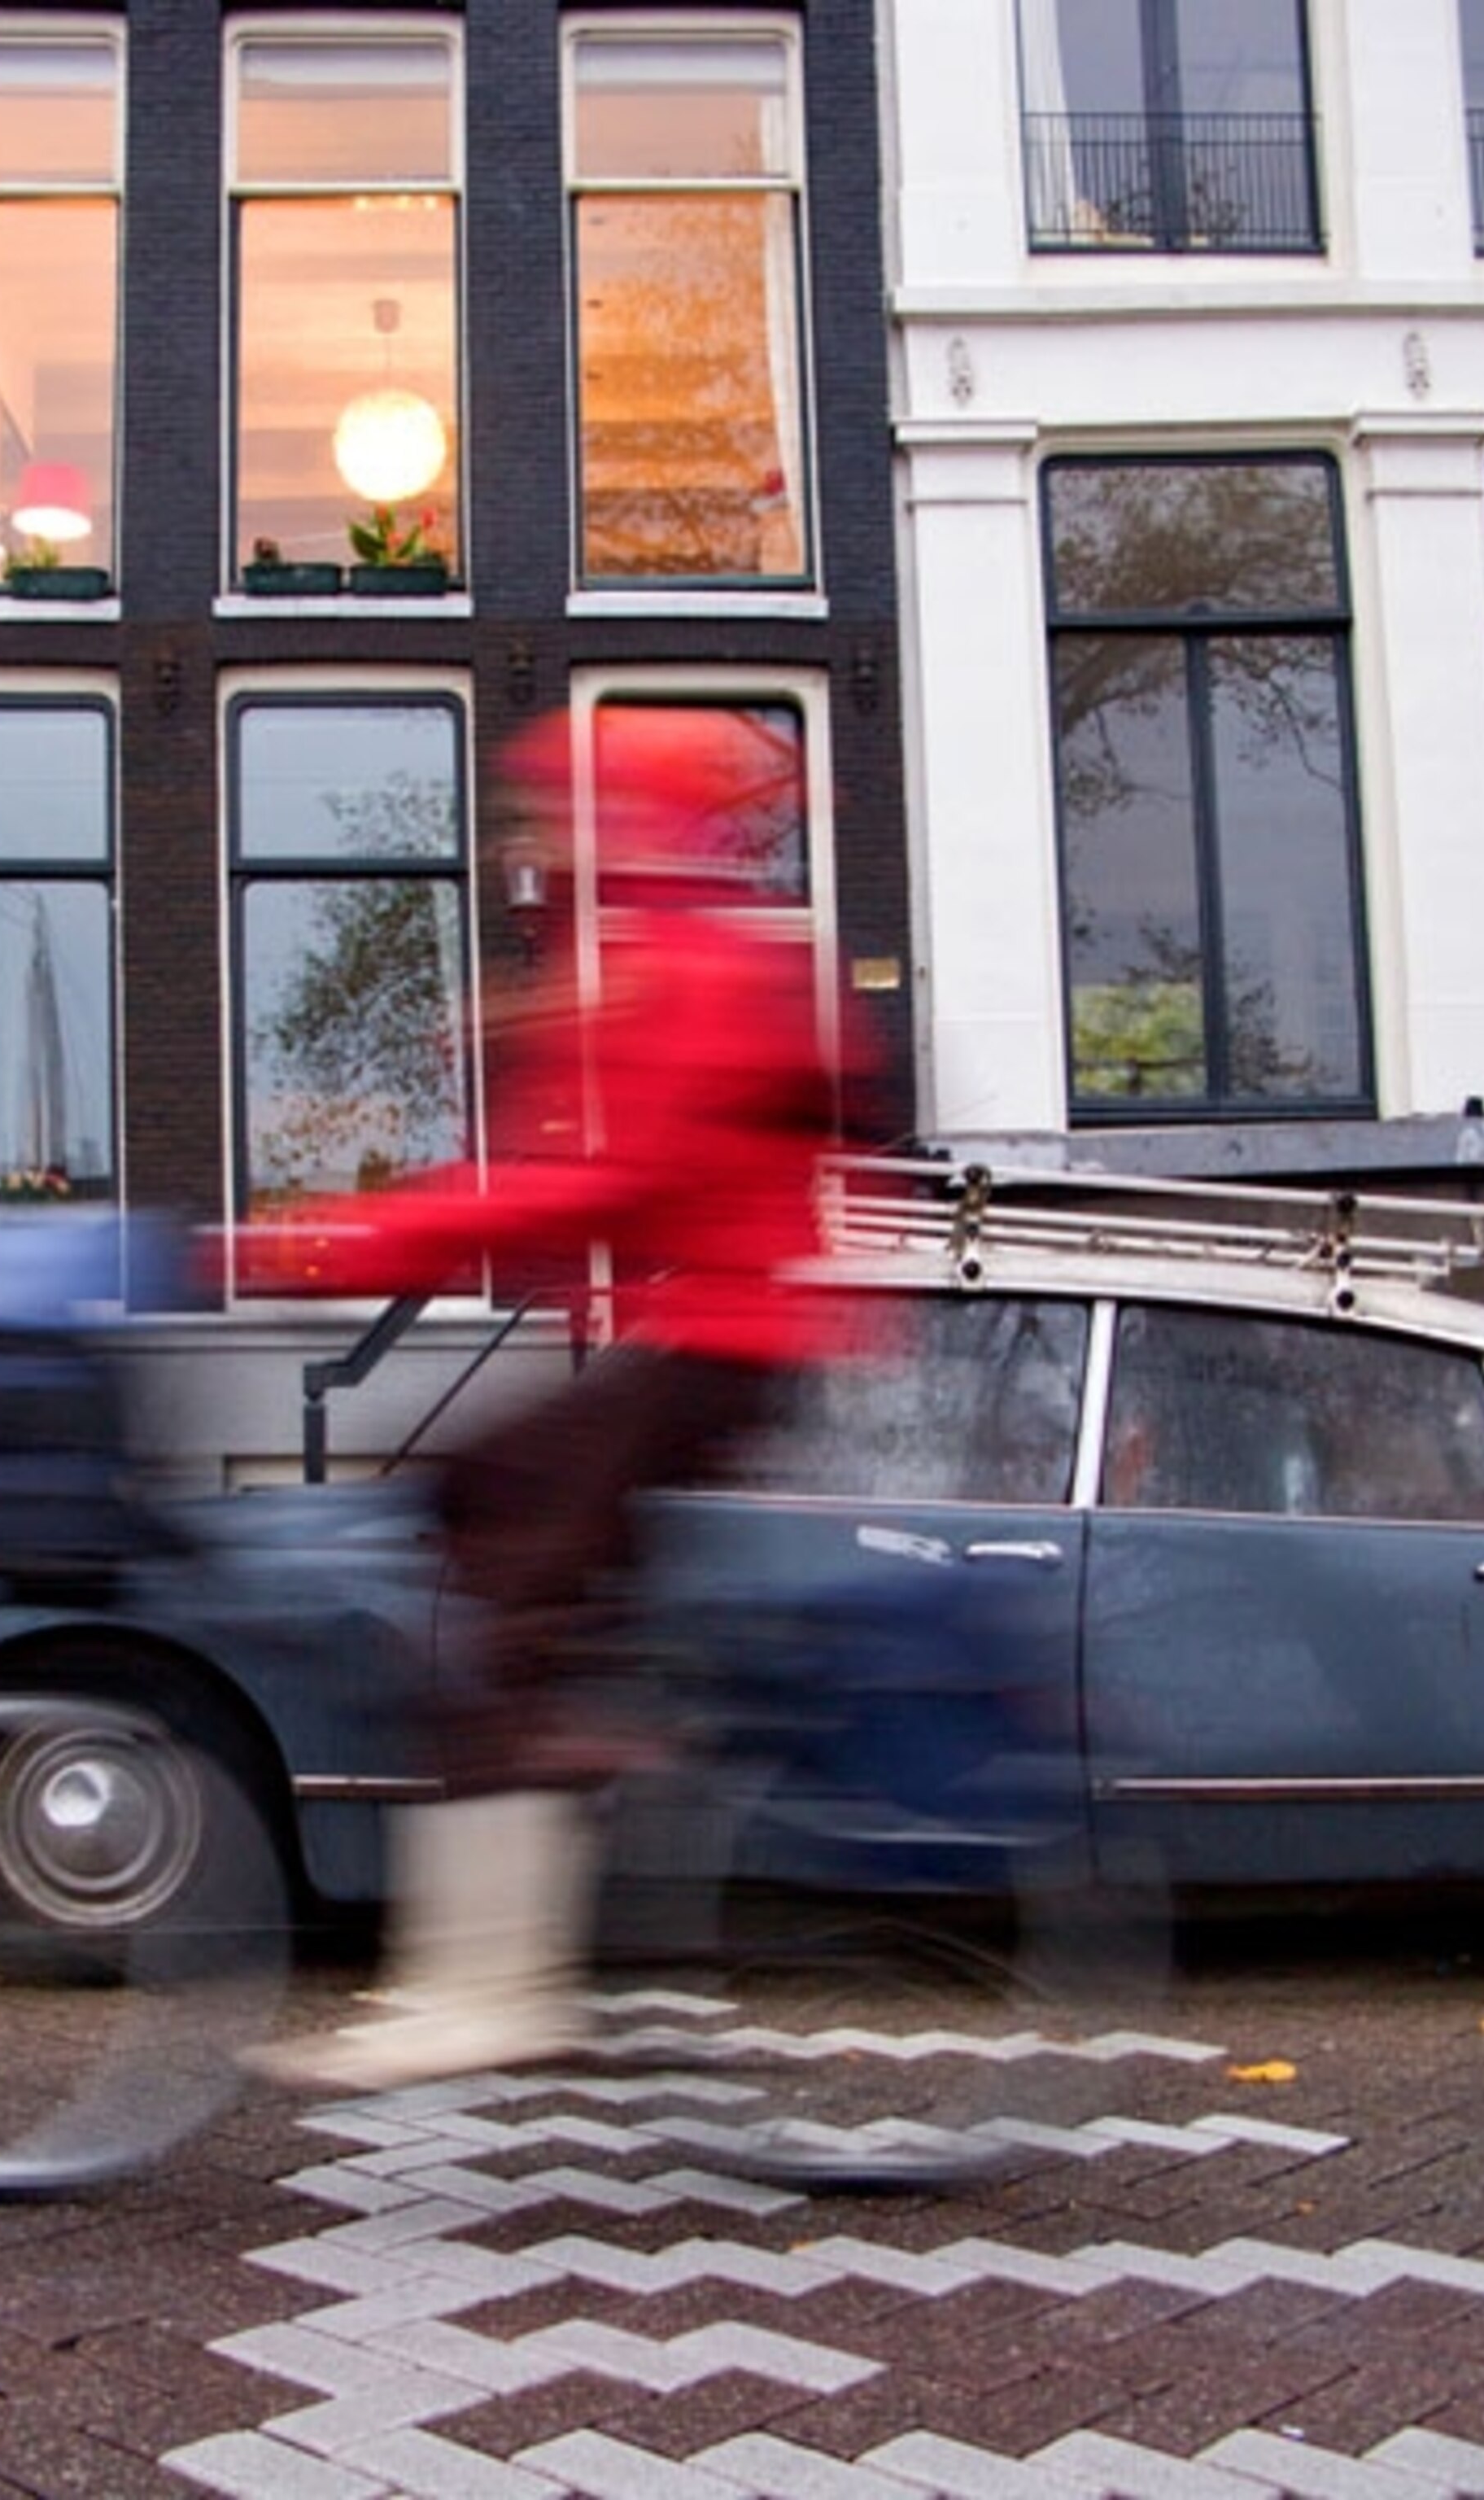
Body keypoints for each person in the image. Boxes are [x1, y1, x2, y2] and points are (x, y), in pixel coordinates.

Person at [243, 710, 866, 2091]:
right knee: (468, 1501)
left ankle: (491, 1985)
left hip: (727, 1339)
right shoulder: (635, 961)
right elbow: (573, 1172)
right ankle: (587, 1742)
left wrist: (355, 1240)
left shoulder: (679, 963)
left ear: (620, 819)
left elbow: (607, 1182)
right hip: (705, 1333)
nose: (529, 845)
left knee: (506, 1600)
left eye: (552, 814)